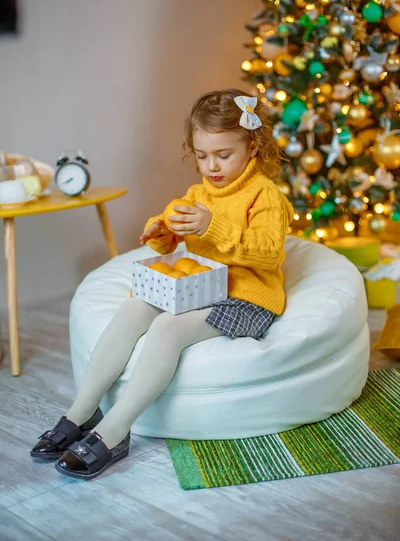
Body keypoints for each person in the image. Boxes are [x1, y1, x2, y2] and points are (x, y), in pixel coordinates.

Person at [30, 88, 294, 480]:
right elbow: (175, 238)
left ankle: (114, 432)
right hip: (201, 287)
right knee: (134, 306)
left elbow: (270, 253)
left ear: (253, 146)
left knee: (167, 328)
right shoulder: (198, 193)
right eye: (202, 156)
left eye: (224, 155)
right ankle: (81, 412)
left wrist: (213, 225)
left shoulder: (265, 195)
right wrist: (161, 233)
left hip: (247, 299)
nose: (212, 166)